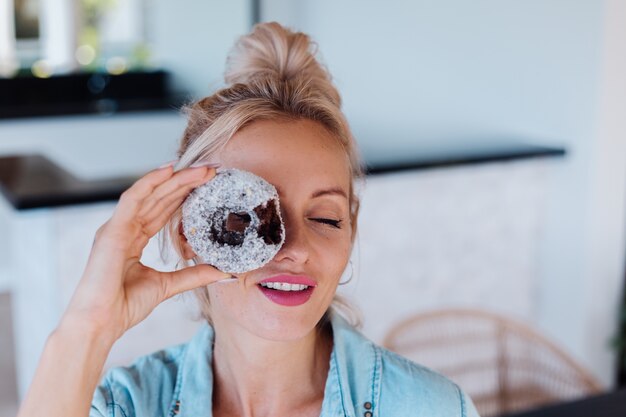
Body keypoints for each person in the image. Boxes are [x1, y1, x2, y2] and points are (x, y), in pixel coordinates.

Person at [17, 22, 480, 417]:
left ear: (351, 230)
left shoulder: (431, 408)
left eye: (325, 218)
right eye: (245, 220)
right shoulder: (127, 406)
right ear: (189, 234)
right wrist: (87, 327)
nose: (295, 248)